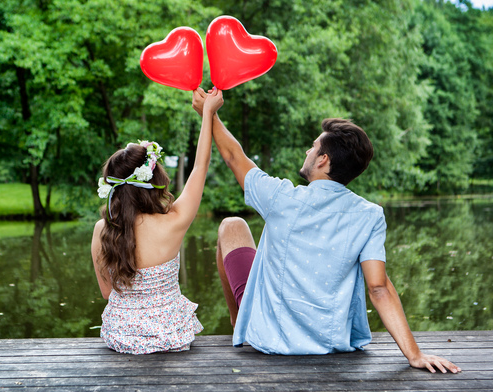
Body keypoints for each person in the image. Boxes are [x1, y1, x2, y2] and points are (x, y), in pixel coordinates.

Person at [192, 87, 461, 373]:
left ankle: (239, 321)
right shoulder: (369, 215)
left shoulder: (281, 197)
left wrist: (210, 114)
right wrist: (414, 355)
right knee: (237, 227)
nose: (308, 151)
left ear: (323, 160)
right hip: (329, 342)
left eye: (313, 147)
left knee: (231, 225)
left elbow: (234, 156)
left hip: (271, 340)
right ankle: (241, 320)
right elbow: (378, 287)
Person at [91, 88, 223, 354]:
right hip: (170, 335)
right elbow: (200, 166)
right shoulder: (173, 221)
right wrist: (208, 113)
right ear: (153, 180)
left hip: (120, 337)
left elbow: (107, 293)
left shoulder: (103, 229)